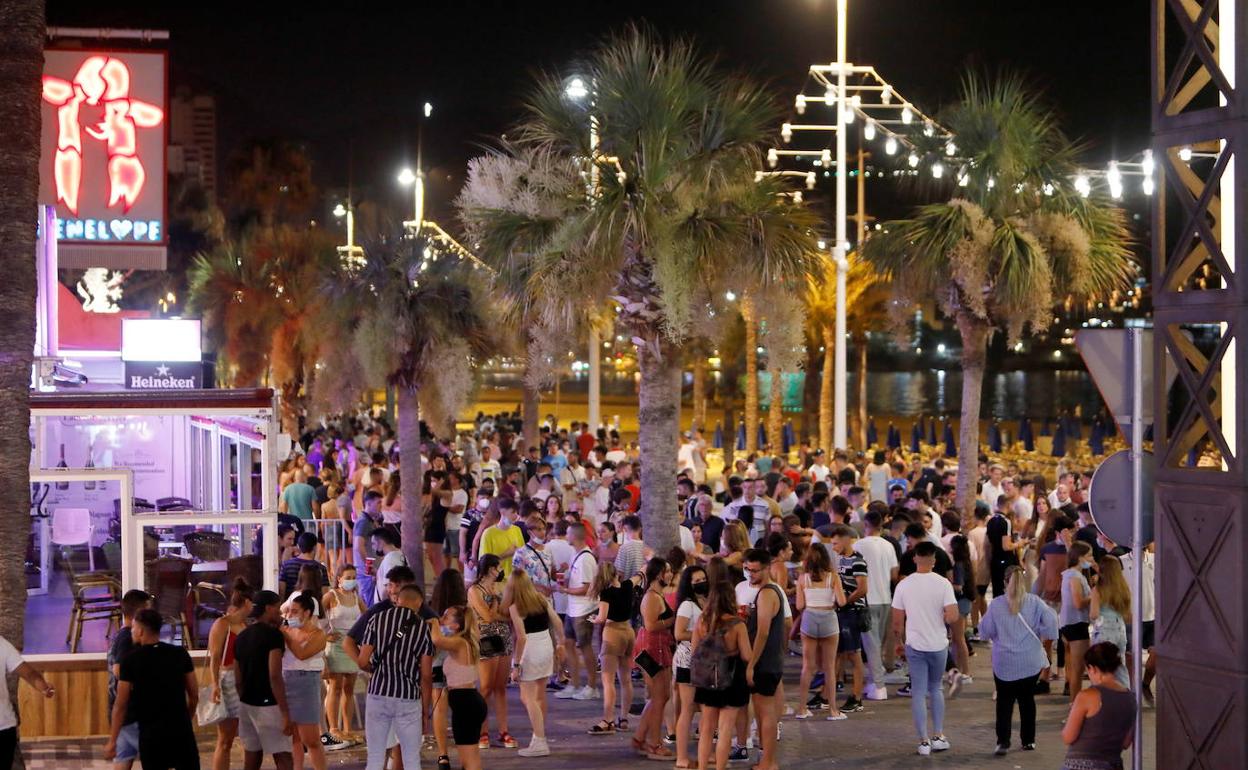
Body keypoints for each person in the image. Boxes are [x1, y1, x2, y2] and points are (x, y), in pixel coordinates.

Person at [979, 565, 1059, 755]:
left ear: (1005, 582)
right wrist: (1043, 633)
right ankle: (1028, 740)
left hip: (1004, 663)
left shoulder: (996, 604)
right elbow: (1052, 623)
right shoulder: (1035, 602)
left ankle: (1003, 741)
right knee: (1027, 701)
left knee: (1004, 703)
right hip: (1030, 662)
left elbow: (985, 632)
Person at [105, 609, 197, 770]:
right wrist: (187, 718)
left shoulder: (131, 661)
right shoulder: (179, 653)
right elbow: (194, 695)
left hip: (151, 735)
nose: (131, 631)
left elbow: (121, 705)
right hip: (181, 732)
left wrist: (113, 740)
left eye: (133, 628)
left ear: (140, 631)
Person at [356, 585, 435, 770]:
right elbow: (425, 674)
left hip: (378, 693)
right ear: (419, 603)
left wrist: (375, 670)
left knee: (375, 756)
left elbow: (361, 661)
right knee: (411, 758)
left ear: (398, 600)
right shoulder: (422, 627)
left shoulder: (377, 619)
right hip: (408, 696)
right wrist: (425, 710)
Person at [891, 541, 958, 756]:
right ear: (934, 560)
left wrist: (899, 642)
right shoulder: (944, 584)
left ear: (915, 558)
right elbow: (953, 616)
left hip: (915, 644)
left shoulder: (904, 585)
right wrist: (945, 617)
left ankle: (923, 741)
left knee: (918, 692)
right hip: (938, 644)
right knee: (936, 688)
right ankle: (938, 735)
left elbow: (896, 622)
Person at [693, 557, 753, 770]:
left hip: (708, 677)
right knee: (726, 728)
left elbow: (695, 650)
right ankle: (719, 767)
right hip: (732, 678)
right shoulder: (737, 625)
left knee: (706, 727)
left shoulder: (702, 621)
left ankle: (701, 767)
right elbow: (747, 655)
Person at [234, 590, 294, 770]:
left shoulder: (242, 636)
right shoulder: (273, 636)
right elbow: (274, 674)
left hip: (246, 703)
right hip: (269, 704)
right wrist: (284, 713)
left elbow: (237, 677)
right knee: (283, 757)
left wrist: (243, 697)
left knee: (251, 757)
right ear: (268, 608)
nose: (280, 613)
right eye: (277, 608)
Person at [508, 569, 564, 756]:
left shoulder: (515, 606)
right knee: (540, 695)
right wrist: (561, 643)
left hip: (530, 649)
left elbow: (521, 638)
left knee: (527, 697)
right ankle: (538, 736)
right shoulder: (540, 598)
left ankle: (540, 741)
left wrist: (516, 665)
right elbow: (557, 622)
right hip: (546, 645)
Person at [739, 548, 785, 770]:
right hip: (770, 661)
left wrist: (751, 664)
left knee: (764, 713)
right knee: (762, 712)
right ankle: (767, 760)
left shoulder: (767, 593)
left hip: (764, 663)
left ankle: (768, 761)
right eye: (747, 569)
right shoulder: (769, 592)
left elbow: (763, 631)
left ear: (766, 569)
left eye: (755, 570)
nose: (750, 575)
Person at [428, 606, 488, 770]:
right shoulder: (464, 641)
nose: (442, 618)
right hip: (468, 702)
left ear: (456, 625)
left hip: (466, 703)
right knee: (470, 757)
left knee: (469, 761)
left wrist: (433, 622)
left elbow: (436, 640)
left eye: (446, 617)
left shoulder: (460, 642)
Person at [467, 554, 515, 749]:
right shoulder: (474, 590)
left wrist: (498, 614)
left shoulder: (501, 588)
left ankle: (504, 731)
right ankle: (481, 730)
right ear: (488, 569)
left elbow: (508, 615)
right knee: (486, 687)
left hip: (503, 637)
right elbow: (487, 617)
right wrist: (495, 604)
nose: (499, 571)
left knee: (501, 688)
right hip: (486, 638)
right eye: (497, 568)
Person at [1061, 643, 1135, 770]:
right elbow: (1125, 743)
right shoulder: (1130, 698)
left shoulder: (1087, 696)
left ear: (1092, 668)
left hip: (1081, 764)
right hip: (1113, 763)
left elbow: (1068, 736)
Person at [794, 542, 846, 719]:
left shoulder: (803, 579)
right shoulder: (833, 577)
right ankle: (832, 710)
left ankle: (801, 708)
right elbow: (842, 601)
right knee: (829, 667)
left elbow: (800, 605)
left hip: (809, 619)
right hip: (828, 619)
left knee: (808, 666)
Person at [205, 581, 252, 770]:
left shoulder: (244, 625)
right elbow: (215, 657)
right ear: (247, 603)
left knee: (248, 737)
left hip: (244, 681)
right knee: (225, 739)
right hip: (227, 680)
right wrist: (215, 684)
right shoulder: (222, 623)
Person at [633, 557, 676, 760]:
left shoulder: (656, 595)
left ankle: (640, 736)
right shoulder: (652, 597)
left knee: (660, 697)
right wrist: (672, 619)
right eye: (667, 571)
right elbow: (651, 625)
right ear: (659, 574)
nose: (670, 574)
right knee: (660, 697)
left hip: (657, 648)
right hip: (652, 650)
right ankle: (654, 743)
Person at [587, 563, 637, 736]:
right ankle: (623, 718)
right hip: (629, 632)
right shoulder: (628, 585)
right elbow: (640, 574)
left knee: (608, 680)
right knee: (626, 679)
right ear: (617, 573)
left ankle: (607, 720)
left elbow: (601, 618)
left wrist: (593, 619)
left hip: (613, 633)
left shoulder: (606, 593)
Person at [281, 593, 328, 770]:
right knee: (293, 737)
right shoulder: (288, 630)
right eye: (288, 612)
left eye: (294, 612)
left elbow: (302, 654)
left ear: (307, 613)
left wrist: (285, 635)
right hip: (286, 681)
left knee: (311, 738)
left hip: (307, 684)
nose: (290, 616)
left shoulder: (318, 634)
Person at [856, 509, 899, 700]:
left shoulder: (858, 545)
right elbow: (894, 574)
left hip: (866, 600)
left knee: (871, 645)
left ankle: (879, 686)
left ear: (866, 525)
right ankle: (874, 682)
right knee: (877, 644)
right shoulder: (888, 546)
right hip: (885, 599)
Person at [107, 589, 151, 770]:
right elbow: (119, 670)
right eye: (148, 610)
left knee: (124, 760)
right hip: (132, 713)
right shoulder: (127, 638)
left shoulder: (120, 635)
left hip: (124, 714)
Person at [555, 523, 600, 701]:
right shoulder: (576, 555)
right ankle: (574, 684)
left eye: (567, 533)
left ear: (575, 536)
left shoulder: (586, 559)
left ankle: (591, 685)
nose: (566, 535)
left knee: (585, 646)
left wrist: (565, 591)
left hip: (584, 609)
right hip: (572, 608)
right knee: (569, 643)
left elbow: (586, 588)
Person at [323, 566, 366, 749]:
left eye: (354, 577)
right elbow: (316, 618)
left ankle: (348, 729)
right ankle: (333, 728)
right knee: (335, 687)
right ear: (339, 578)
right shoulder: (331, 596)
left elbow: (368, 616)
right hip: (335, 646)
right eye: (348, 577)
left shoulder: (357, 598)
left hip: (352, 645)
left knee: (349, 688)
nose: (351, 580)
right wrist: (324, 635)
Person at [829, 525, 869, 713]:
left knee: (854, 654)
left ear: (846, 540)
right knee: (841, 652)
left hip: (852, 612)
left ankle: (857, 697)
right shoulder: (841, 560)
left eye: (836, 543)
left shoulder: (857, 561)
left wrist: (844, 602)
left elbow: (862, 588)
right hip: (844, 611)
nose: (833, 546)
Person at [672, 564, 708, 769]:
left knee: (705, 709)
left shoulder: (706, 602)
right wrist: (701, 634)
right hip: (687, 660)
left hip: (704, 660)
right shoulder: (687, 605)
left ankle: (704, 753)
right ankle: (682, 756)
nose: (701, 583)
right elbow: (678, 633)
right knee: (687, 708)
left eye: (703, 579)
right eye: (696, 581)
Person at [1062, 542, 1096, 702]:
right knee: (1077, 669)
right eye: (1089, 555)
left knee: (1074, 668)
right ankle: (1075, 705)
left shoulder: (1070, 574)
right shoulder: (1075, 576)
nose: (1092, 559)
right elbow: (1078, 602)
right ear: (1079, 557)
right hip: (1076, 624)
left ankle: (1074, 704)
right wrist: (1094, 595)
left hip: (1070, 623)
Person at [1090, 556, 1131, 688]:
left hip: (1104, 630)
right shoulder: (1123, 588)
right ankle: (1125, 697)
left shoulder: (1098, 590)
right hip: (1120, 628)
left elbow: (1094, 614)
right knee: (1120, 666)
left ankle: (1103, 699)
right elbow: (1128, 615)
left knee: (1101, 668)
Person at [946, 534, 975, 696]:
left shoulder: (958, 565)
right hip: (966, 602)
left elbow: (958, 586)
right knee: (958, 639)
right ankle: (960, 670)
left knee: (958, 638)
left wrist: (946, 583)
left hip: (960, 602)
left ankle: (966, 672)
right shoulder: (967, 563)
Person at [480, 497, 527, 577]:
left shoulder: (517, 530)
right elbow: (484, 563)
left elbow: (524, 553)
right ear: (502, 512)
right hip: (496, 580)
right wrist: (504, 555)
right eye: (513, 512)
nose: (516, 516)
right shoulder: (488, 533)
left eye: (517, 512)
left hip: (515, 579)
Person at [279, 532, 329, 598]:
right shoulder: (320, 568)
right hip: (312, 606)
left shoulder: (286, 565)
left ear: (299, 546)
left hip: (291, 605)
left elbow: (282, 590)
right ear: (315, 547)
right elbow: (324, 594)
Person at [371, 527, 407, 605]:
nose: (373, 548)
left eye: (373, 543)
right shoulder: (400, 554)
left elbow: (390, 586)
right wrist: (377, 574)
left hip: (386, 606)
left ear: (380, 543)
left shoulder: (390, 559)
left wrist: (381, 605)